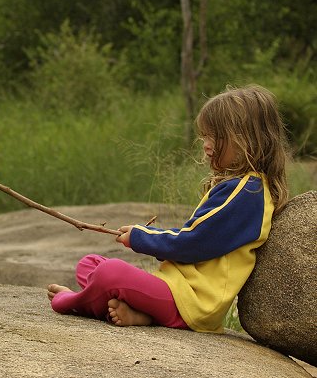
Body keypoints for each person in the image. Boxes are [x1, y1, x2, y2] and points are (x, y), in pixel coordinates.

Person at [47, 84, 291, 333]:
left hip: (193, 302)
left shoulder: (248, 193)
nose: (206, 146)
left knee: (109, 272)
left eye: (214, 137)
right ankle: (143, 314)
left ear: (245, 139)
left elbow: (195, 242)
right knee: (90, 263)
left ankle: (74, 302)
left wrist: (142, 237)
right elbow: (196, 238)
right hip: (175, 289)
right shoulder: (243, 188)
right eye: (204, 136)